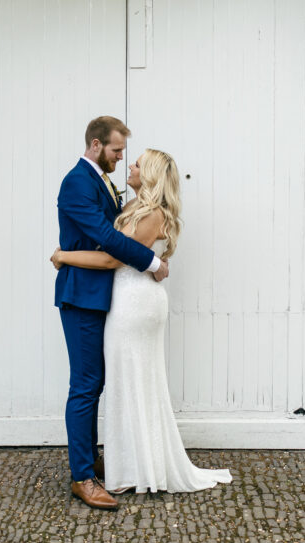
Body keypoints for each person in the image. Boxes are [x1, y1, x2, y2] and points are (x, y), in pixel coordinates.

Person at [52, 149, 232, 494]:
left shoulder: (152, 215)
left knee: (132, 380)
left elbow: (110, 260)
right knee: (124, 381)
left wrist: (62, 255)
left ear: (149, 175)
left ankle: (138, 466)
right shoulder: (131, 208)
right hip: (123, 301)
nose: (129, 167)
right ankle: (129, 458)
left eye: (136, 164)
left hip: (135, 305)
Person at [55, 116, 170, 511]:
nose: (121, 158)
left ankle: (89, 458)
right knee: (85, 385)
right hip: (82, 296)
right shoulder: (77, 183)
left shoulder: (100, 180)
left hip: (103, 297)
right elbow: (107, 240)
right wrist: (153, 264)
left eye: (124, 153)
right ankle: (82, 478)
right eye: (117, 151)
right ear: (95, 145)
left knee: (96, 382)